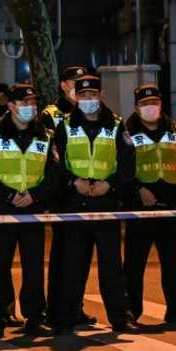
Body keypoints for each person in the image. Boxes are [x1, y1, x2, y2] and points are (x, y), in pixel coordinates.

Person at [52, 74, 138, 334]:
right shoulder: (64, 126)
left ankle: (120, 318)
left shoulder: (116, 126)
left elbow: (127, 164)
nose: (88, 100)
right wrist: (72, 182)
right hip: (75, 204)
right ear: (76, 98)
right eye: (83, 95)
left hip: (106, 202)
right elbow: (55, 163)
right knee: (73, 265)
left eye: (92, 95)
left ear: (100, 95)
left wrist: (109, 184)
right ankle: (67, 318)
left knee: (111, 266)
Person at [0, 84, 56, 339]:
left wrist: (35, 195)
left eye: (33, 103)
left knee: (34, 267)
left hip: (32, 209)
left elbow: (53, 173)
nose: (30, 108)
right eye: (24, 103)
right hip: (3, 210)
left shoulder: (44, 135)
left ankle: (34, 318)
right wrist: (9, 196)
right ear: (10, 106)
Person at [123, 84, 176, 324]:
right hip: (140, 209)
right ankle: (131, 311)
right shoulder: (126, 133)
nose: (150, 107)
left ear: (161, 104)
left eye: (154, 102)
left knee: (172, 263)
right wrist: (137, 190)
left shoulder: (175, 130)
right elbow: (121, 169)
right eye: (144, 104)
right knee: (134, 264)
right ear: (136, 107)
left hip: (171, 207)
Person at [46, 66, 95, 329]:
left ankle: (75, 306)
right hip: (64, 196)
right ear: (64, 85)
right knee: (64, 257)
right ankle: (56, 309)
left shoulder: (93, 111)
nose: (80, 87)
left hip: (89, 195)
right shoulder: (51, 115)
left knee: (82, 257)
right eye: (75, 83)